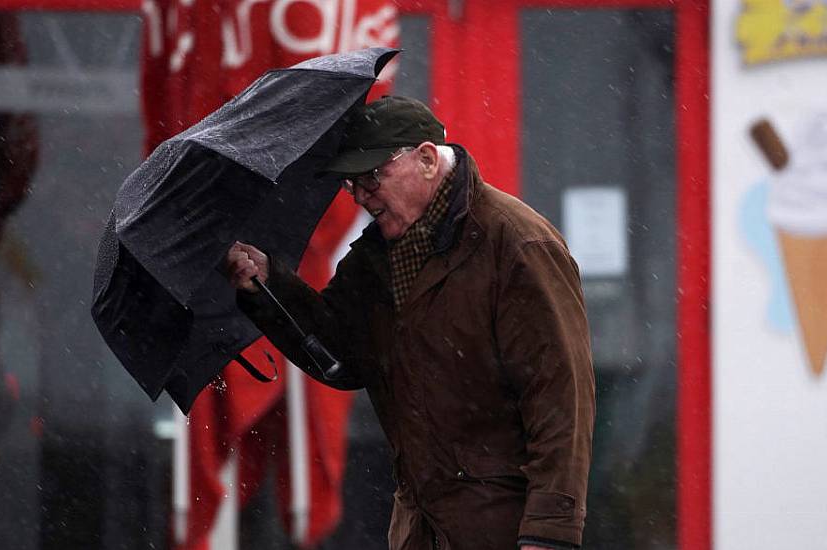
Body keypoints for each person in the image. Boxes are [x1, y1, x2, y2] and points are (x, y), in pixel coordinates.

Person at [224, 96, 595, 550]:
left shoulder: (517, 244)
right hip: (419, 529)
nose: (361, 196)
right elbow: (340, 356)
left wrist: (549, 535)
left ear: (425, 159)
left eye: (372, 176)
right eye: (350, 184)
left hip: (505, 530)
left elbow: (561, 399)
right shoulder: (375, 256)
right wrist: (268, 286)